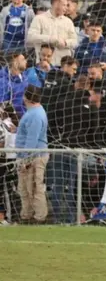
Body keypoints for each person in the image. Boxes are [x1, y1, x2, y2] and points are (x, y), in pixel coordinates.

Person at [15, 85, 47, 224]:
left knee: (34, 188)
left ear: (26, 97)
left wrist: (25, 160)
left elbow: (32, 140)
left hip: (33, 157)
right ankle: (26, 215)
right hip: (29, 155)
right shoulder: (34, 112)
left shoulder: (35, 115)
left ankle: (39, 218)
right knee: (24, 188)